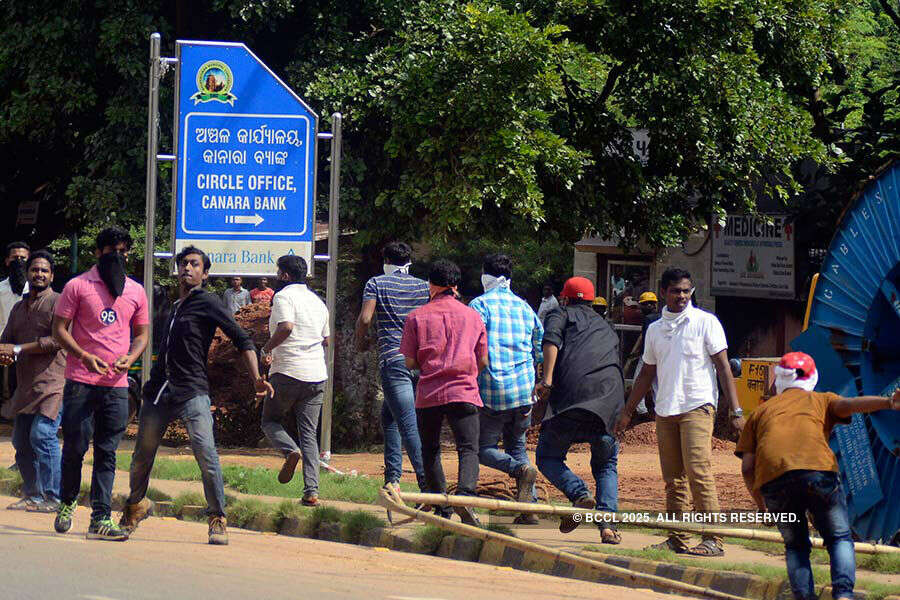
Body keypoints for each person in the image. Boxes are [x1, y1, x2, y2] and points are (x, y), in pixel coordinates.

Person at [120, 246, 272, 545]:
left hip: (192, 390)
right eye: (184, 264)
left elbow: (243, 339)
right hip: (160, 391)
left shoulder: (208, 301)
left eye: (194, 264)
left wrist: (256, 378)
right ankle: (135, 506)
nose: (188, 268)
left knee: (206, 453)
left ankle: (217, 517)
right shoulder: (175, 306)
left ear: (205, 273)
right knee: (141, 457)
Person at [736, 352, 900, 600]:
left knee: (796, 546)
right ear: (812, 378)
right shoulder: (820, 399)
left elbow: (748, 467)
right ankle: (844, 595)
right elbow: (849, 405)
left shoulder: (760, 413)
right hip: (818, 473)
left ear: (778, 380)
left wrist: (762, 508)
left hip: (774, 480)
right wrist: (889, 402)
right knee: (839, 538)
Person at [615, 267, 743, 557]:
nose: (682, 296)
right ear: (664, 293)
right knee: (673, 479)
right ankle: (678, 538)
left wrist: (736, 410)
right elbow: (646, 374)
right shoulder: (656, 329)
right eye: (676, 291)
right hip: (665, 409)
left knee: (699, 471)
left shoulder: (705, 322)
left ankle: (714, 539)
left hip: (698, 406)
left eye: (687, 291)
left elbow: (723, 366)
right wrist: (627, 412)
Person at [52, 227, 150, 541]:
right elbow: (59, 330)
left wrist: (131, 357)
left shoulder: (136, 290)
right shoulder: (77, 286)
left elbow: (143, 334)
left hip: (117, 384)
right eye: (111, 251)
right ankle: (67, 502)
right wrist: (82, 355)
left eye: (123, 251)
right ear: (98, 253)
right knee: (76, 448)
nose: (117, 256)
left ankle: (100, 518)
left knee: (107, 451)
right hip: (80, 381)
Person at [533, 277, 624, 544]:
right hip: (609, 402)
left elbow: (551, 342)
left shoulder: (558, 314)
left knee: (547, 457)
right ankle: (607, 526)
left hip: (573, 399)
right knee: (606, 463)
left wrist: (546, 381)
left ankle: (579, 494)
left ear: (564, 298)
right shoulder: (605, 325)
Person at [399, 259, 488, 526]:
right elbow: (483, 359)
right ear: (456, 286)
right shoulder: (473, 316)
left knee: (430, 449)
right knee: (469, 448)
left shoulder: (416, 316)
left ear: (431, 285)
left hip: (430, 392)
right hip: (464, 390)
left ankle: (441, 506)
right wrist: (469, 374)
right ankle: (465, 498)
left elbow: (410, 362)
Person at [469, 254, 542, 524]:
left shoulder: (479, 305)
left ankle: (518, 470)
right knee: (518, 446)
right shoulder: (525, 307)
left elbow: (473, 347)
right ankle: (529, 510)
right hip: (524, 391)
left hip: (492, 391)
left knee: (482, 449)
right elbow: (539, 345)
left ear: (485, 276)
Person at [354, 242, 429, 492]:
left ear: (386, 260)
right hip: (420, 361)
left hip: (394, 359)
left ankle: (426, 485)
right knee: (390, 417)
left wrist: (360, 341)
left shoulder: (376, 283)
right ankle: (392, 479)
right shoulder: (422, 286)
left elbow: (365, 318)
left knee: (407, 423)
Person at [260, 255, 329, 507]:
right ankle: (311, 491)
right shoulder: (318, 302)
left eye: (279, 272)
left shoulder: (283, 296)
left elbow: (286, 326)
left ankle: (290, 451)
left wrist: (266, 349)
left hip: (287, 371)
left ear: (285, 275)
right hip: (316, 375)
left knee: (269, 421)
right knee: (309, 434)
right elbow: (327, 340)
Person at [1, 251, 66, 512]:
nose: (39, 274)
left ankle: (54, 496)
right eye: (35, 270)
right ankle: (33, 495)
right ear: (28, 274)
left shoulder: (59, 303)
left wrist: (17, 350)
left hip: (53, 382)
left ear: (51, 275)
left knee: (43, 435)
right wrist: (5, 352)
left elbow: (57, 341)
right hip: (26, 384)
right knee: (21, 441)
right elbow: (6, 339)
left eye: (44, 270)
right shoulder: (19, 307)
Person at [0, 241, 30, 416]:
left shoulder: (34, 289)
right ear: (7, 261)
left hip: (26, 345)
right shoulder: (0, 289)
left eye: (23, 258)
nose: (19, 261)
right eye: (15, 258)